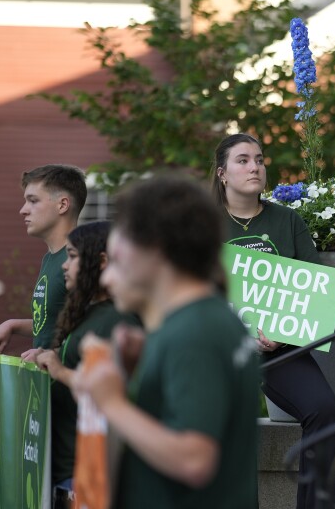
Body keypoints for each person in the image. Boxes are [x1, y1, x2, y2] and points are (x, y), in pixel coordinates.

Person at [72, 175, 260, 508]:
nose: (106, 277)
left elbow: (194, 460)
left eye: (115, 258)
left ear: (155, 249)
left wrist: (111, 402)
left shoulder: (193, 332)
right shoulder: (208, 319)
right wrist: (142, 365)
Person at [211, 133, 335, 509]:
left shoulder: (287, 220)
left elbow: (317, 290)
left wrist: (283, 336)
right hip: (224, 351)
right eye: (243, 160)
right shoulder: (204, 225)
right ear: (222, 173)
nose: (255, 167)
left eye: (259, 159)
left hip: (279, 348)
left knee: (324, 409)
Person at [20, 220, 140, 507]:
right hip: (67, 469)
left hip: (87, 473)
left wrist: (60, 370)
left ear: (101, 262)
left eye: (72, 257)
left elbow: (112, 393)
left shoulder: (116, 321)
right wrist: (52, 358)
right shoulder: (91, 314)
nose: (64, 265)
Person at [0, 164, 87, 356]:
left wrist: (52, 355)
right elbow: (52, 325)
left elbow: (97, 331)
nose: (23, 210)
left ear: (62, 205)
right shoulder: (51, 258)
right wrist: (13, 325)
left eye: (33, 201)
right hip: (46, 386)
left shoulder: (78, 260)